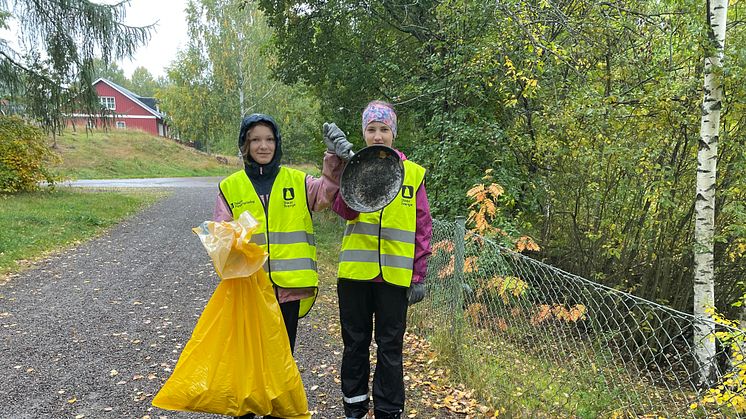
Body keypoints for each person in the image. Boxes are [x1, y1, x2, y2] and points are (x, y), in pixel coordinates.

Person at [213, 113, 352, 419]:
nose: (263, 146)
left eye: (269, 139)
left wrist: (334, 158)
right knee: (248, 359)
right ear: (245, 146)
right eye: (256, 140)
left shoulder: (297, 181)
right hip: (250, 291)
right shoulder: (230, 187)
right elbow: (221, 238)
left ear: (277, 143)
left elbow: (327, 192)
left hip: (288, 289)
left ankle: (276, 412)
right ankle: (247, 410)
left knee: (282, 358)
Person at [332, 101, 433, 419]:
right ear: (363, 133)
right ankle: (354, 406)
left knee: (390, 347)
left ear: (393, 133)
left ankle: (388, 411)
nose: (378, 136)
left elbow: (422, 227)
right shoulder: (354, 167)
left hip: (394, 277)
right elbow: (343, 210)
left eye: (384, 129)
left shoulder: (413, 175)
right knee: (355, 343)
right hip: (355, 276)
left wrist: (419, 276)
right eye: (371, 129)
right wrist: (345, 167)